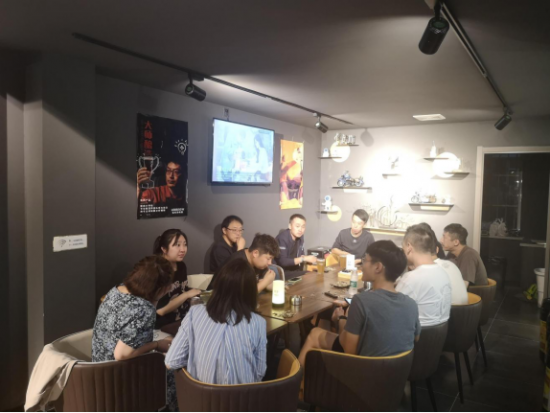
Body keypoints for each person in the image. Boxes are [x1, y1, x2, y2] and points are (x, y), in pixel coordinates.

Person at [298, 240, 420, 365]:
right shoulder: (411, 304)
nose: (362, 265)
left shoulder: (361, 302)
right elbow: (416, 337)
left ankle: (299, 377)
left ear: (378, 267)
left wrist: (341, 318)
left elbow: (349, 350)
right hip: (397, 373)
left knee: (314, 334)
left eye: (365, 260)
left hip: (362, 372)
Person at [92, 256, 177, 411]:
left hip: (98, 371)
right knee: (174, 372)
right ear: (160, 288)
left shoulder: (116, 290)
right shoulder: (143, 309)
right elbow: (122, 354)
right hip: (118, 378)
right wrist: (157, 344)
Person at [165, 259, 267, 385]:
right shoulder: (258, 323)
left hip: (198, 396)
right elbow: (259, 373)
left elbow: (171, 362)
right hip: (243, 396)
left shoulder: (195, 313)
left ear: (218, 286)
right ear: (251, 291)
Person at [396, 225, 452, 326]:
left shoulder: (411, 278)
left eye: (403, 247)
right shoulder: (444, 273)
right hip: (441, 333)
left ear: (409, 247)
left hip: (416, 334)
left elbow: (393, 310)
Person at [153, 229, 201, 329]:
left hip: (183, 318)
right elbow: (160, 310)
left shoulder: (181, 265)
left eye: (185, 244)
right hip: (164, 324)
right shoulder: (157, 270)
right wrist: (187, 294)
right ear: (164, 249)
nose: (182, 249)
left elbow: (181, 290)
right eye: (177, 245)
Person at [417, 223, 468, 305]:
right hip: (460, 308)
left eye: (444, 237)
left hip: (451, 310)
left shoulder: (430, 269)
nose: (441, 240)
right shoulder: (450, 262)